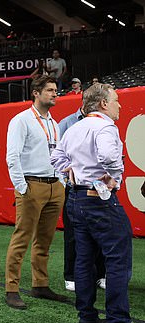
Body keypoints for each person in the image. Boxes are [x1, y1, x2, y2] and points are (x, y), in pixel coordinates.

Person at [51, 83, 145, 323]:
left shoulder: (75, 126)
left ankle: (87, 318)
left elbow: (55, 157)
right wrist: (114, 176)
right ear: (103, 104)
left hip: (76, 199)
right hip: (100, 201)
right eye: (115, 100)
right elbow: (108, 156)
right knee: (118, 260)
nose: (119, 105)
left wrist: (70, 170)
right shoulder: (105, 126)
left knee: (84, 259)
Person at [4, 75, 67, 310]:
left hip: (54, 186)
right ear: (36, 93)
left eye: (55, 90)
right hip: (32, 185)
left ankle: (40, 285)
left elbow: (58, 154)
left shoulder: (53, 123)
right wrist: (22, 187)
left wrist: (60, 181)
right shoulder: (21, 120)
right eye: (49, 90)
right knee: (22, 238)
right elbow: (12, 157)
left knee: (45, 241)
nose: (54, 93)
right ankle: (12, 288)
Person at [58, 106, 106, 292]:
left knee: (101, 232)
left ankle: (101, 275)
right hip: (74, 188)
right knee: (72, 234)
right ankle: (71, 275)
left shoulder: (104, 123)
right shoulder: (67, 123)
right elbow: (56, 154)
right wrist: (65, 181)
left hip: (99, 188)